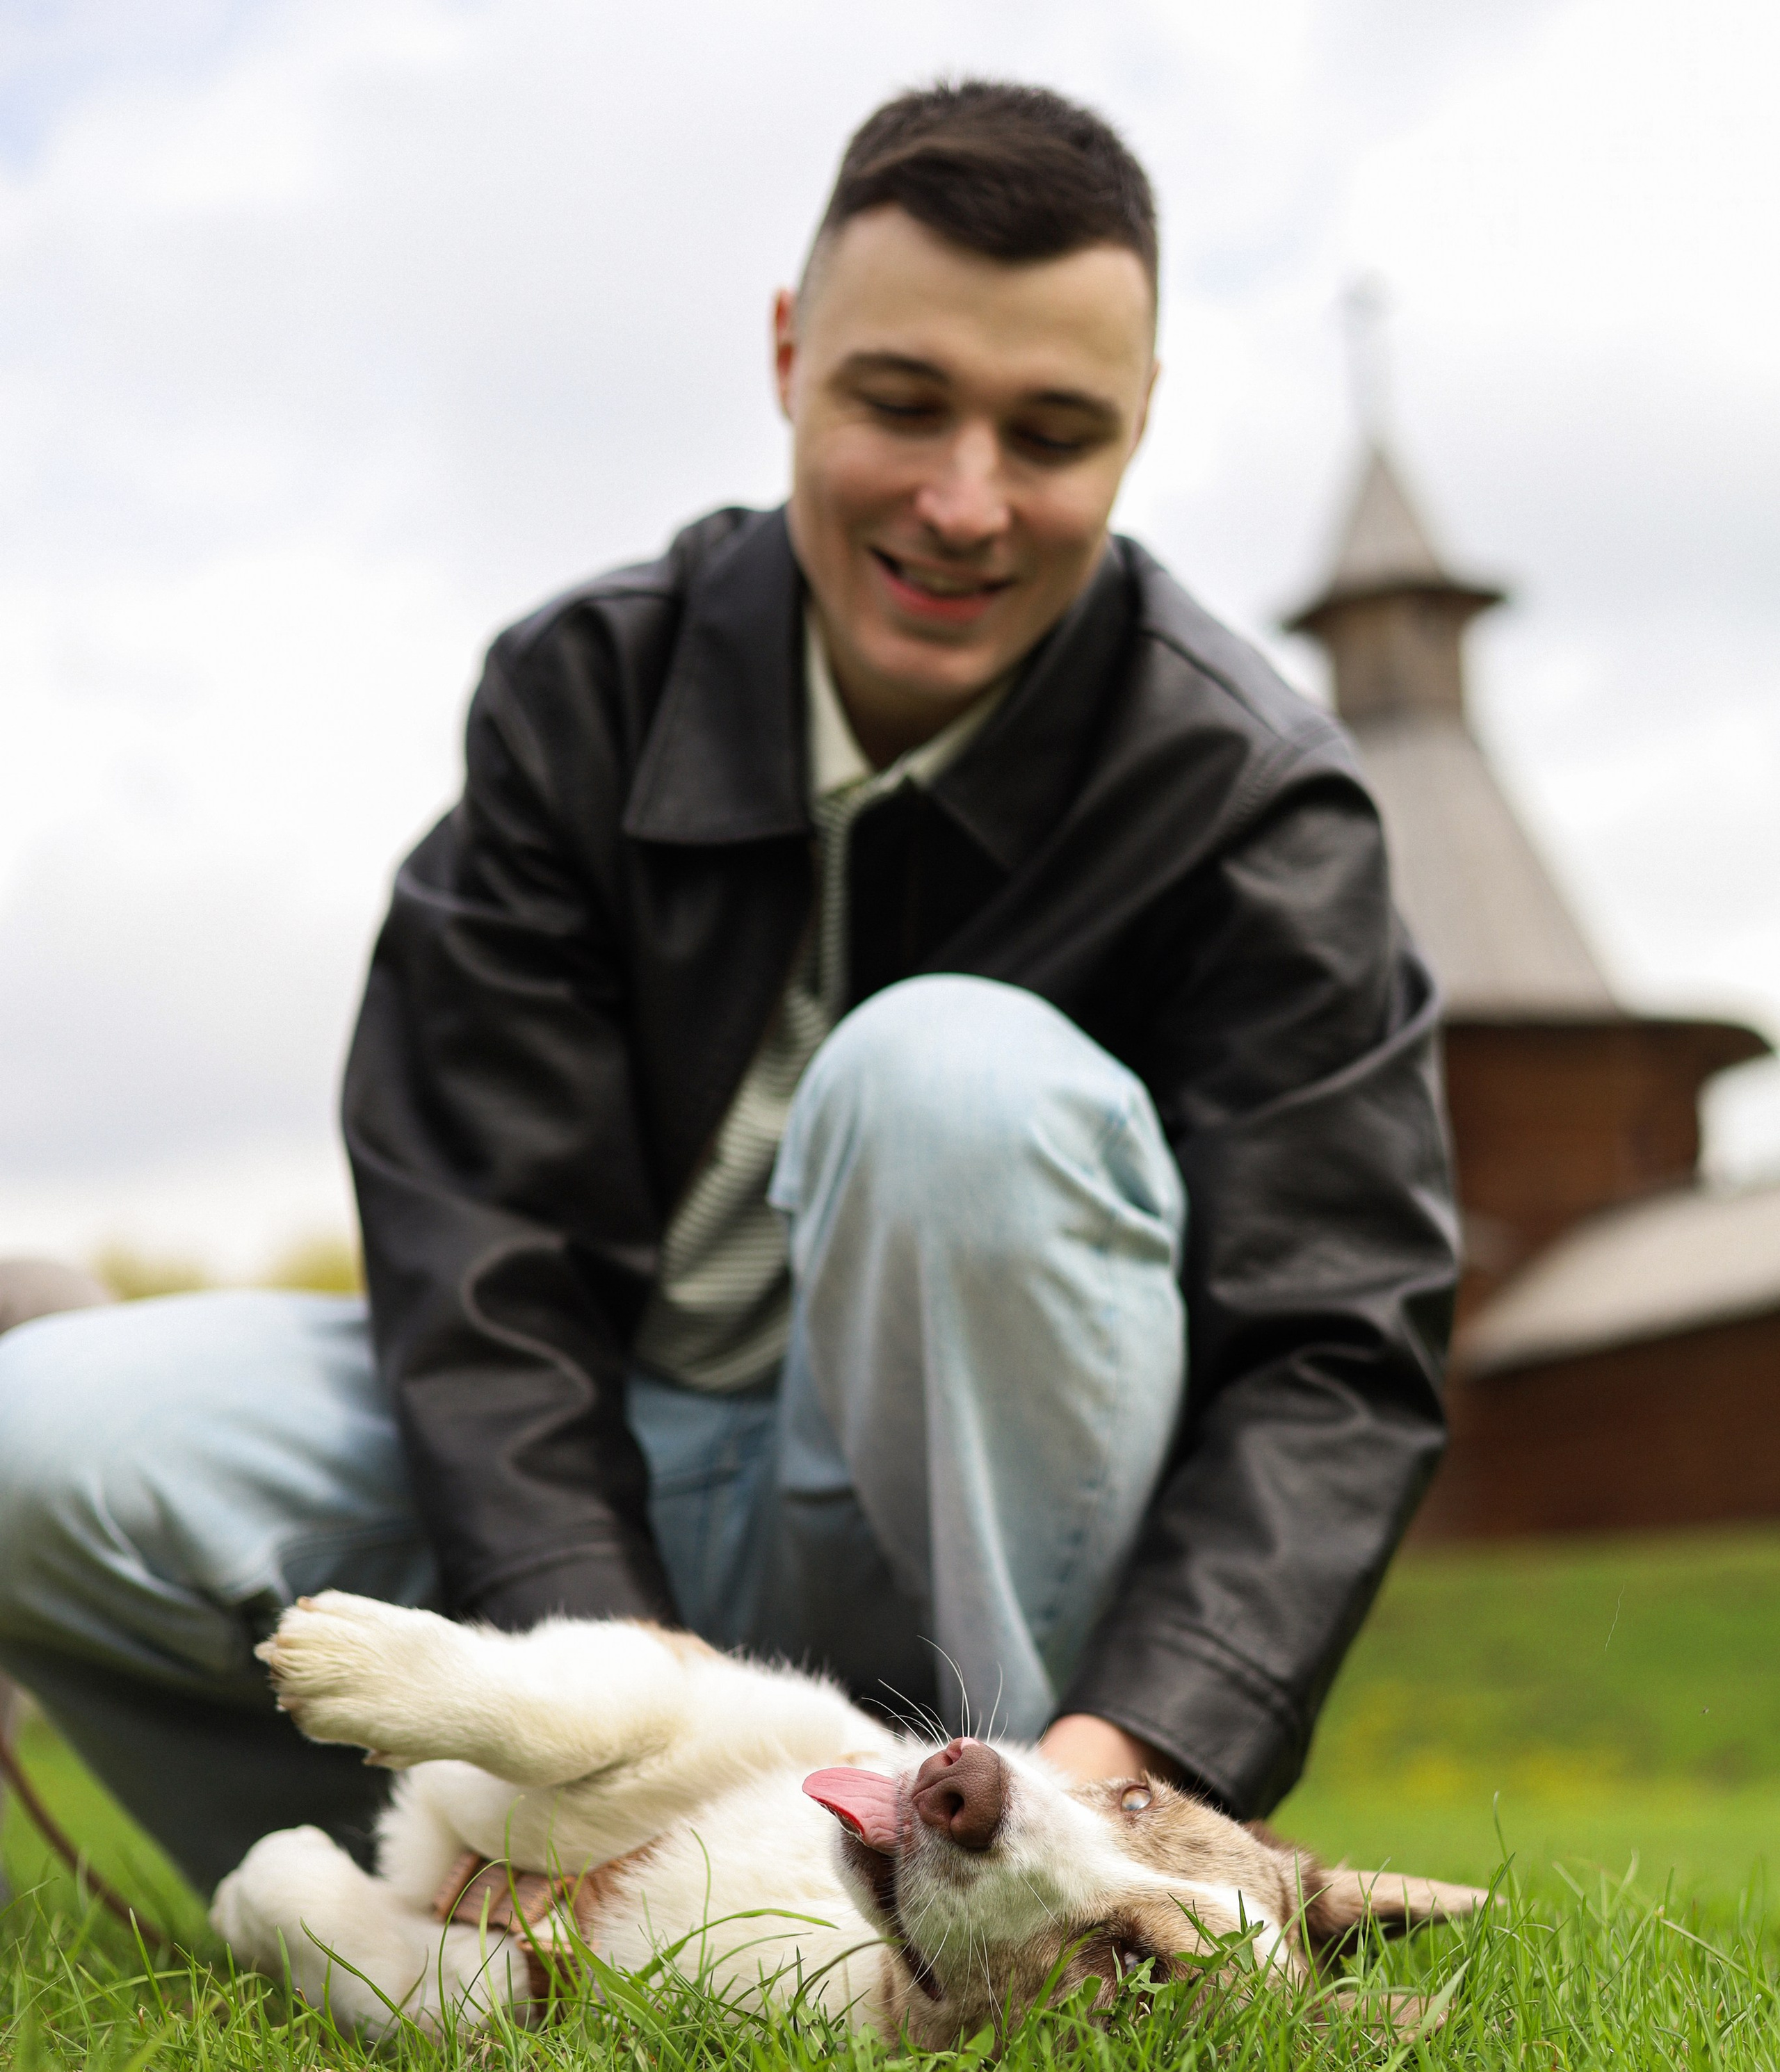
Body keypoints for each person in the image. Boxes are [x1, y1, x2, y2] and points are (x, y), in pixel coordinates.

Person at [0, 81, 1457, 1899]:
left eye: (1053, 431)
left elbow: (1334, 1348)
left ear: (1142, 424)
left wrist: (1118, 1782)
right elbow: (481, 1252)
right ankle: (467, 1895)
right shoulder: (579, 697)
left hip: (957, 1553)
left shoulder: (1254, 804)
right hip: (586, 1474)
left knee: (948, 1083)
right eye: (901, 402)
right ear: (788, 354)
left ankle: (990, 1907)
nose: (963, 500)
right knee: (38, 1434)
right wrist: (595, 1671)